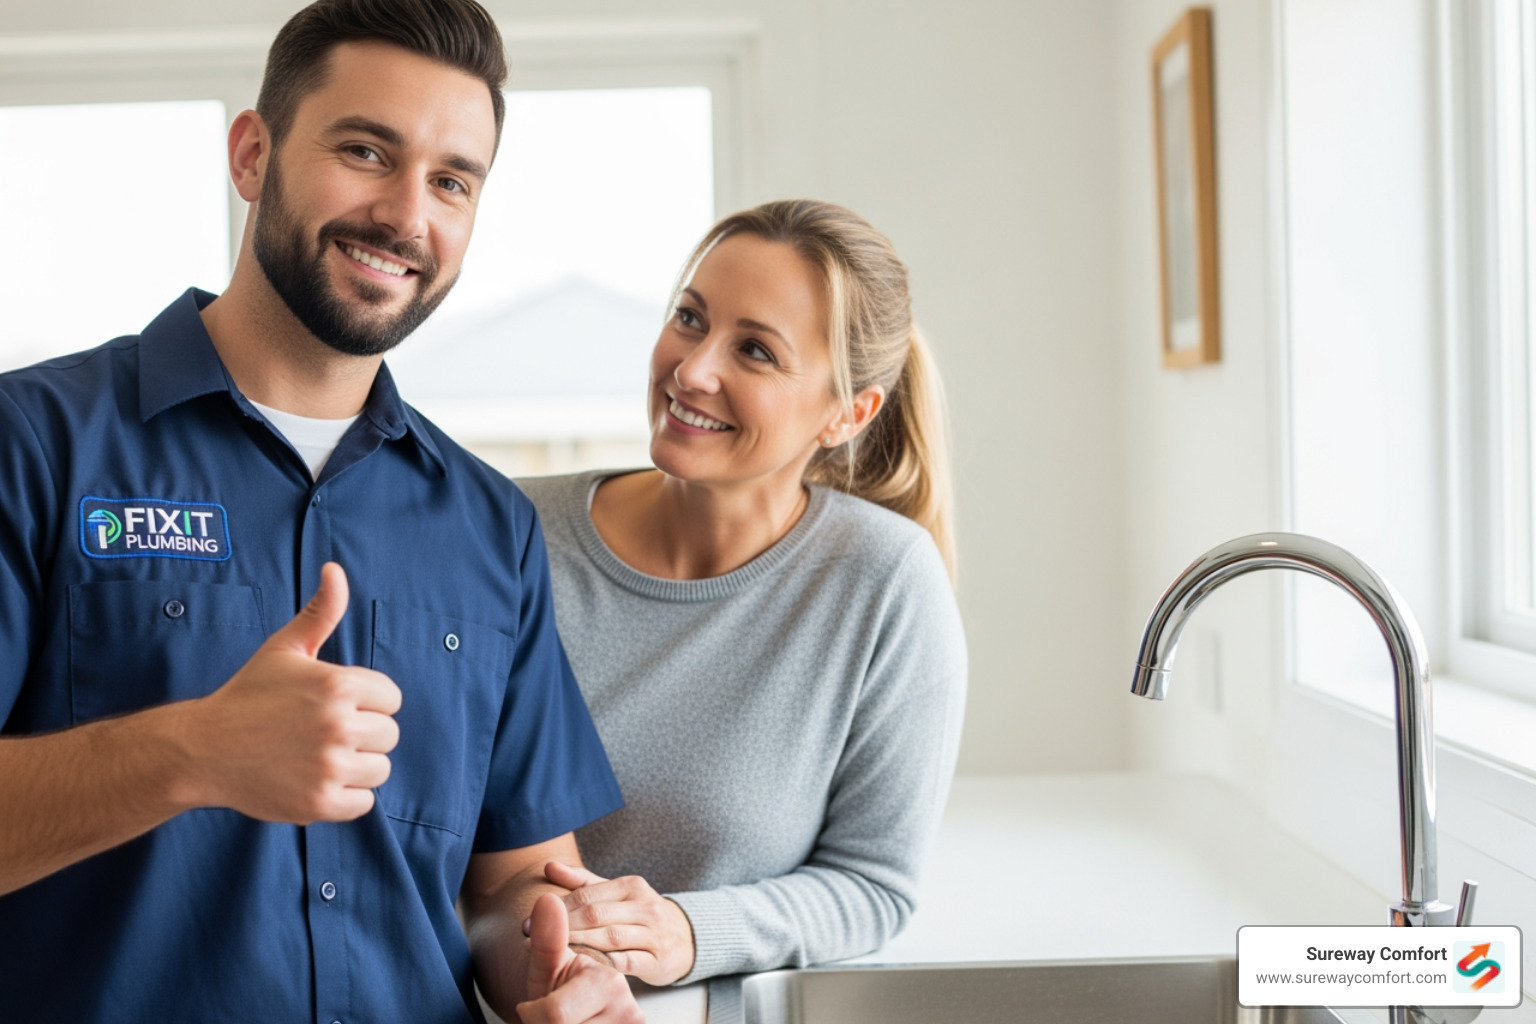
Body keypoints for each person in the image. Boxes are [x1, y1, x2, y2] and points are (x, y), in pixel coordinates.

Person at [0, 2, 641, 1022]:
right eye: (365, 150)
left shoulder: (490, 525)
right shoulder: (33, 444)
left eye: (450, 181)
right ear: (253, 154)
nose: (405, 214)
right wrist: (193, 751)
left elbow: (512, 884)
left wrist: (561, 966)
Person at [517, 199, 969, 1005]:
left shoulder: (885, 582)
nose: (693, 369)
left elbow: (874, 886)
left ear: (847, 414)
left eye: (755, 350)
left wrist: (686, 931)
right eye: (689, 319)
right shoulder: (511, 532)